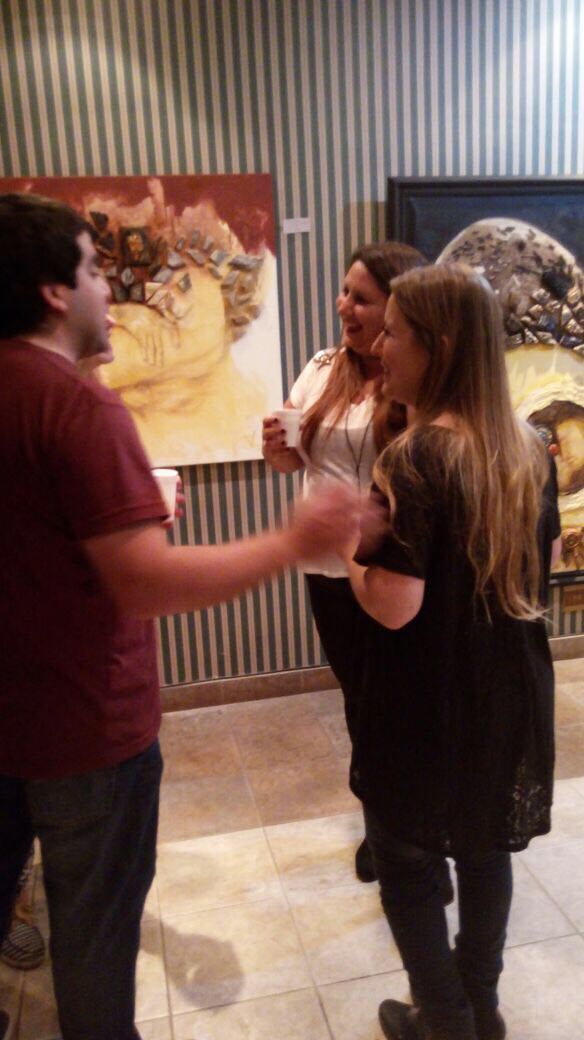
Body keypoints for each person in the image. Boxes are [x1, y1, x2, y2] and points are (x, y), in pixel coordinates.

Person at [0, 192, 362, 1040]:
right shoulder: (77, 408)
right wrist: (291, 540)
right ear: (55, 292)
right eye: (95, 272)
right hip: (86, 730)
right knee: (94, 938)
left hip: (12, 717)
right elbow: (144, 585)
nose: (112, 294)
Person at [341, 263, 562, 1040]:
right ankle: (480, 1005)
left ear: (435, 347)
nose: (380, 348)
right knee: (483, 849)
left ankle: (443, 1019)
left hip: (427, 697)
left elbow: (394, 606)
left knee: (406, 862)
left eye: (394, 333)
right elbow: (540, 562)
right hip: (508, 687)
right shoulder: (528, 448)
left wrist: (350, 552)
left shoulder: (414, 459)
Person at [262, 241, 446, 887]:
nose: (344, 306)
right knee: (359, 700)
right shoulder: (322, 368)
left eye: (361, 298)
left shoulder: (417, 381)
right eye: (345, 292)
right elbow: (296, 459)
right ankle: (385, 822)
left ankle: (415, 831)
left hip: (393, 568)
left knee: (401, 703)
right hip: (327, 568)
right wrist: (278, 452)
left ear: (398, 308)